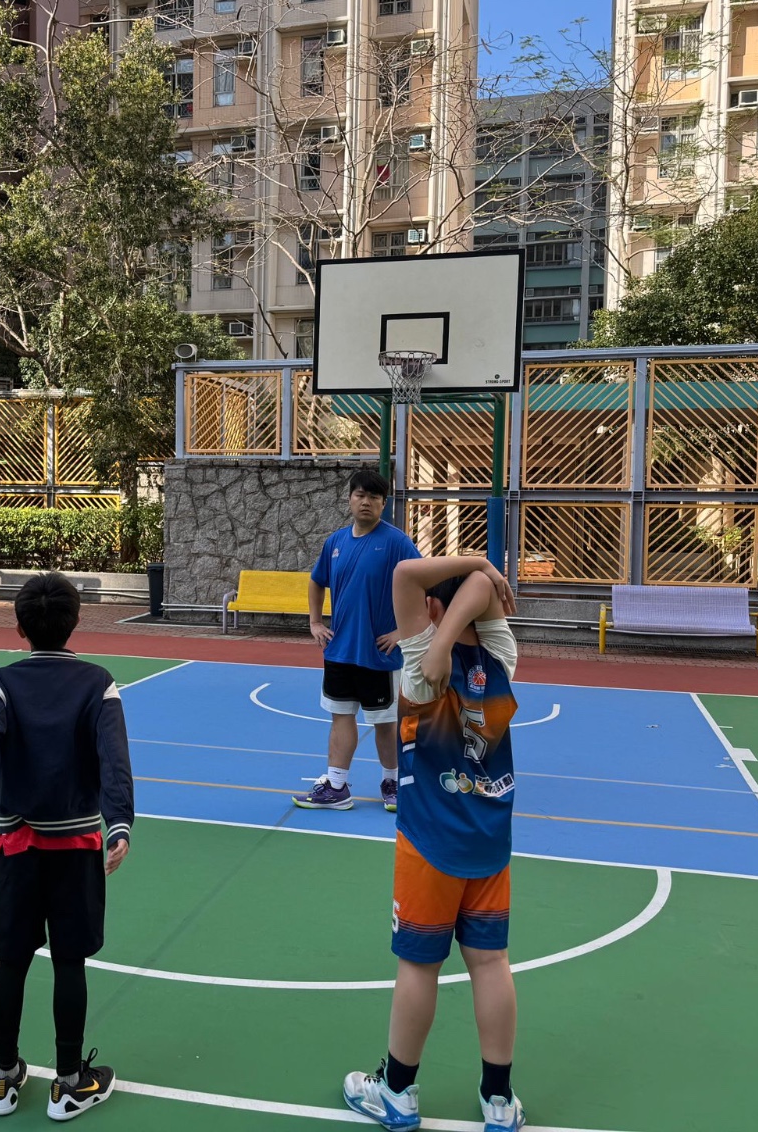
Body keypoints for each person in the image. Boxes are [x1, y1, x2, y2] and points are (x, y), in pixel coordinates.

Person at [343, 554, 523, 1132]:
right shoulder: (501, 658)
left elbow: (403, 574)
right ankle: (499, 1100)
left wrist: (442, 635)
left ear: (430, 608)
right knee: (490, 963)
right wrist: (484, 572)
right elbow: (478, 590)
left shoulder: (423, 663)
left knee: (419, 968)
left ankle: (397, 1092)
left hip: (428, 843)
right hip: (490, 840)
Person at [0, 573, 134, 1122]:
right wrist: (119, 823)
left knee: (11, 961)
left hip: (17, 848)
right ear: (76, 622)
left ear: (19, 629)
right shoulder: (98, 684)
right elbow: (114, 760)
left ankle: (4, 1076)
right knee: (69, 962)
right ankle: (70, 1082)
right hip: (77, 848)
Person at [295, 469, 420, 813]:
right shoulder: (335, 542)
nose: (366, 502)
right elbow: (316, 581)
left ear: (383, 503)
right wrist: (315, 622)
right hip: (339, 650)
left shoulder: (397, 543)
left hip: (379, 654)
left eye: (374, 497)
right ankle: (337, 786)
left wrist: (402, 631)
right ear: (350, 499)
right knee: (341, 717)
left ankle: (393, 783)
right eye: (360, 495)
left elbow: (424, 585)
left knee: (385, 722)